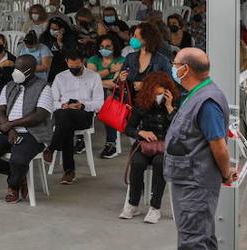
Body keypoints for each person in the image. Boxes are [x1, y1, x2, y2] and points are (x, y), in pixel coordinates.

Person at [165, 48, 237, 250]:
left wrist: (225, 171)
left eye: (176, 65)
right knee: (201, 240)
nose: (173, 68)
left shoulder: (207, 101)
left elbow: (218, 145)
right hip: (187, 178)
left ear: (186, 69)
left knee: (194, 242)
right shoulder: (197, 94)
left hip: (196, 182)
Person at [0, 55, 53, 202]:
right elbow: (0, 111)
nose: (16, 71)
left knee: (19, 160)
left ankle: (13, 186)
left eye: (20, 69)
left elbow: (39, 116)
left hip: (33, 133)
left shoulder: (44, 87)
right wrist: (9, 129)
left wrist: (11, 124)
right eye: (15, 67)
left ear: (31, 71)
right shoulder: (9, 86)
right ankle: (18, 175)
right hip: (7, 132)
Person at [39, 50, 104, 184]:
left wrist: (82, 105)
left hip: (83, 114)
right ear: (67, 63)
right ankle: (69, 171)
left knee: (65, 120)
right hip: (63, 112)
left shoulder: (94, 77)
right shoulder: (60, 77)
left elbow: (99, 104)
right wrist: (63, 105)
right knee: (65, 120)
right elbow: (52, 101)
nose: (75, 69)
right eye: (72, 67)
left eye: (77, 67)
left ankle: (52, 149)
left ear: (83, 62)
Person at [122, 71, 177, 224]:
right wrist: (141, 132)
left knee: (160, 163)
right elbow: (128, 127)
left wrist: (169, 107)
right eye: (154, 93)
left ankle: (155, 207)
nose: (156, 97)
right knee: (138, 162)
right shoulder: (142, 103)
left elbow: (180, 128)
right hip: (145, 145)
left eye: (160, 93)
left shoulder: (175, 102)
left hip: (166, 146)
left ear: (168, 92)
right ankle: (133, 203)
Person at [116, 22, 173, 159]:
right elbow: (120, 81)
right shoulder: (130, 58)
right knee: (138, 146)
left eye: (136, 36)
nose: (132, 39)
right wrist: (122, 78)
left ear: (146, 38)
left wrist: (146, 86)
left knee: (154, 148)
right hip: (133, 108)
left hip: (154, 110)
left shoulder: (162, 61)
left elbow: (168, 85)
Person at [40, 16, 78, 83]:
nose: (53, 31)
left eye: (55, 29)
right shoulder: (45, 37)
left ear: (62, 30)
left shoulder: (70, 37)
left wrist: (60, 43)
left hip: (63, 65)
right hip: (50, 64)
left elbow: (71, 54)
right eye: (51, 29)